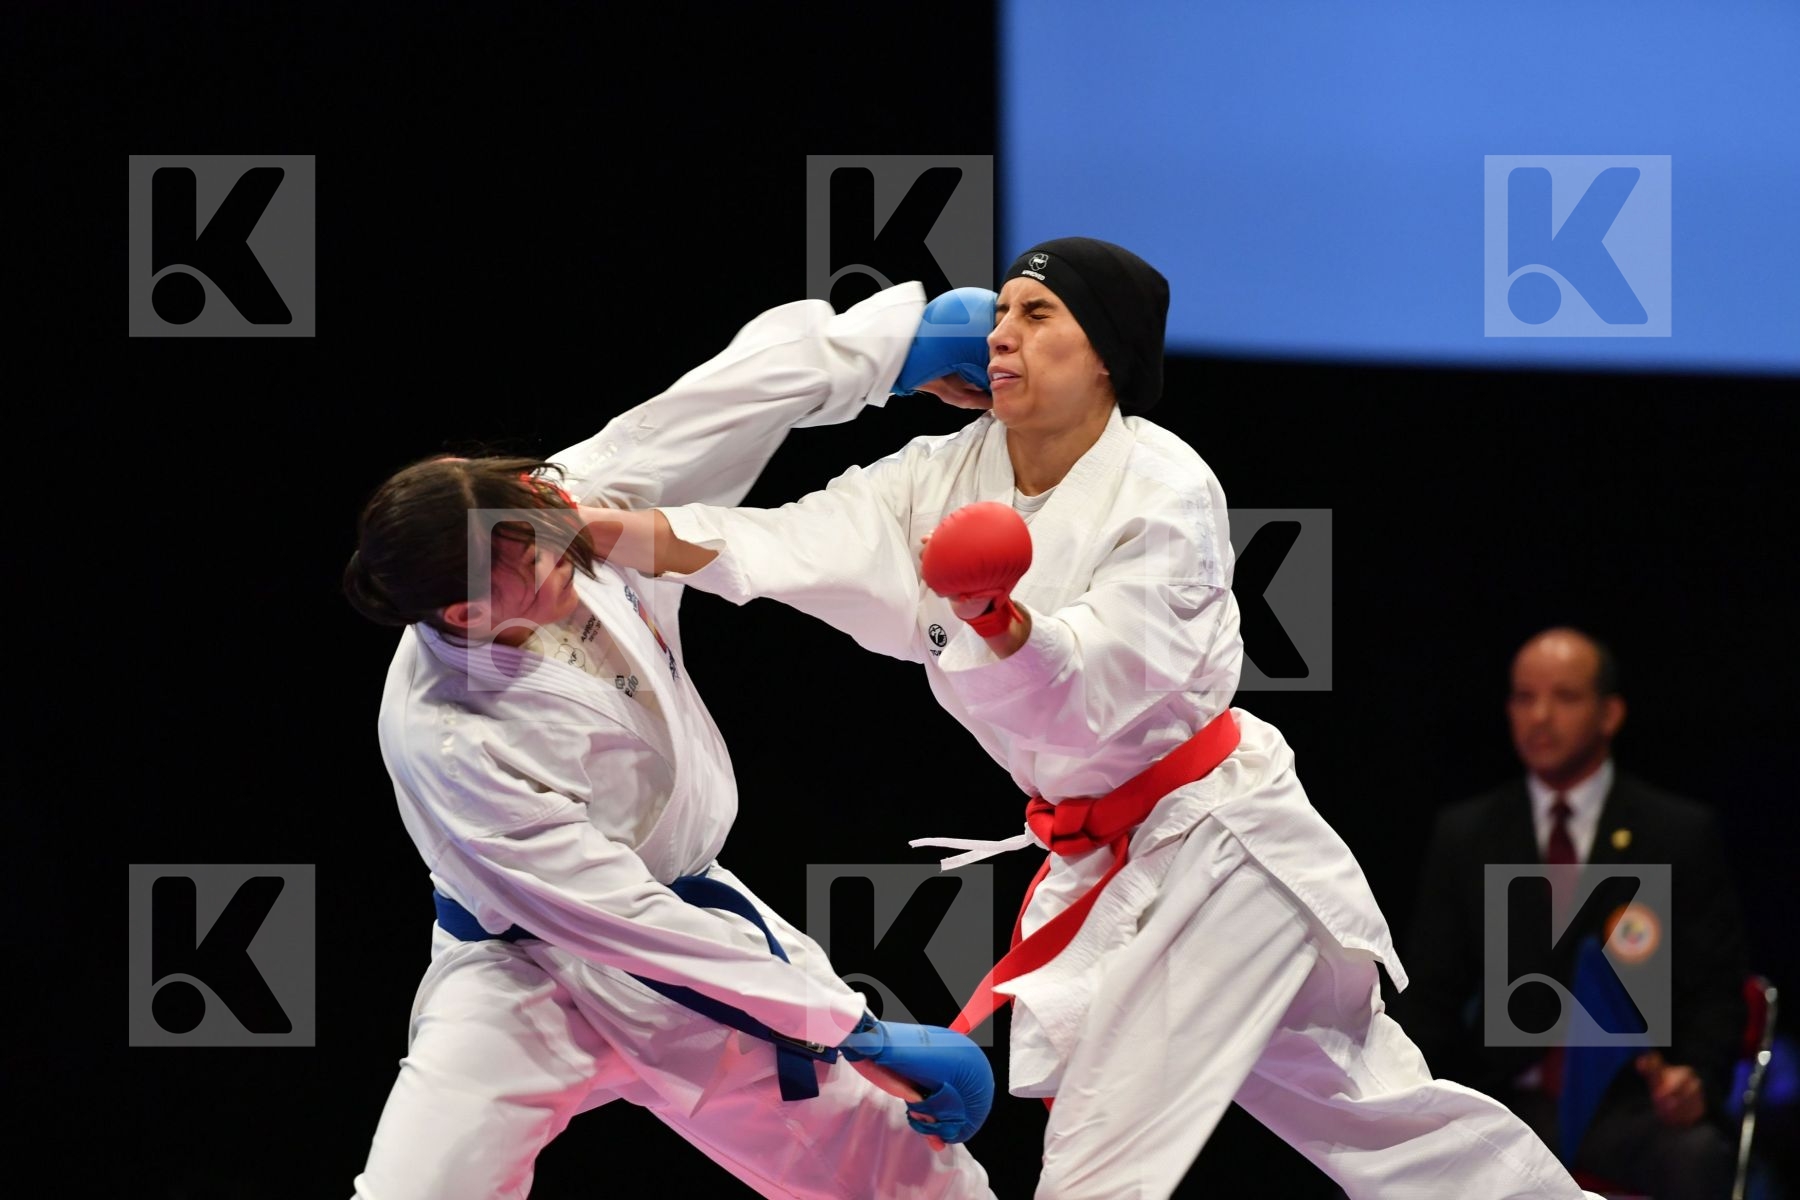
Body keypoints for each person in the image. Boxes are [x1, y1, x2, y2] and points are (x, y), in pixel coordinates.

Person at [589, 237, 1610, 1199]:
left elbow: (1088, 689)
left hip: (1215, 850)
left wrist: (1001, 619)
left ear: (1108, 357)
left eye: (1038, 315)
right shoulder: (944, 473)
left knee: (1098, 1167)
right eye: (1000, 313)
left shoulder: (1167, 491)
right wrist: (614, 529)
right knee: (1379, 1114)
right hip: (1120, 848)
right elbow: (787, 543)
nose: (1000, 333)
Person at [340, 283, 996, 1200]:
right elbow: (629, 924)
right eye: (532, 566)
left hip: (686, 916)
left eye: (542, 529)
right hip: (522, 976)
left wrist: (893, 349)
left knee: (914, 1181)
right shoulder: (450, 736)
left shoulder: (553, 515)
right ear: (464, 613)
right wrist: (851, 1027)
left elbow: (716, 400)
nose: (565, 552)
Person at [1393, 627, 1748, 1200]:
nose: (1540, 717)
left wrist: (1697, 1080)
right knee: (1374, 1166)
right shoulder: (1467, 834)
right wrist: (1418, 1100)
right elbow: (1429, 990)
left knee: (1698, 1158)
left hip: (1629, 1108)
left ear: (1610, 714)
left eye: (1565, 697)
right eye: (1524, 698)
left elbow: (1717, 991)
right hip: (1502, 1103)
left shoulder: (1676, 833)